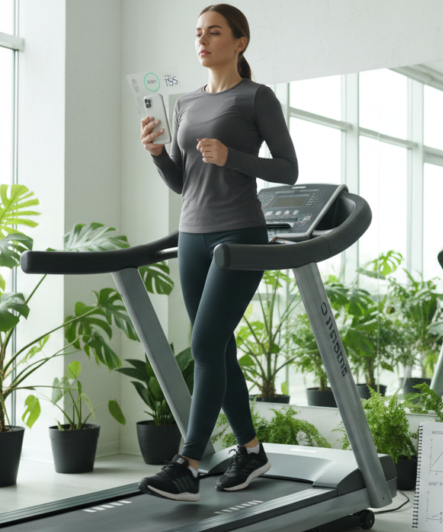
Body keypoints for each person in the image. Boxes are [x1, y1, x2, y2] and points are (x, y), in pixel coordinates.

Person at [137, 4, 298, 502]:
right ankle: (250, 449)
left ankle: (187, 462)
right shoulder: (184, 103)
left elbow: (288, 170)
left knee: (206, 344)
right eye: (198, 34)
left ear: (239, 42)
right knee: (219, 347)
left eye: (214, 32)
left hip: (239, 236)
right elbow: (184, 183)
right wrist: (159, 154)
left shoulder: (256, 97)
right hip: (192, 234)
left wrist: (234, 157)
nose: (203, 41)